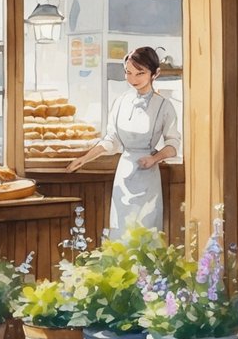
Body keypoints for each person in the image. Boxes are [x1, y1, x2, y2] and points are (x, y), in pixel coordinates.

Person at [65, 46, 181, 240]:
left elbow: (173, 144)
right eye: (128, 73)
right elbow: (112, 140)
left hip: (147, 177)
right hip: (123, 172)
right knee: (120, 232)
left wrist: (155, 158)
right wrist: (84, 159)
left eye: (140, 73)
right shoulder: (120, 102)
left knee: (146, 233)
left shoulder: (164, 106)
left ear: (155, 73)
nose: (133, 79)